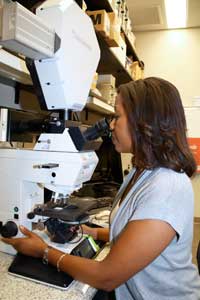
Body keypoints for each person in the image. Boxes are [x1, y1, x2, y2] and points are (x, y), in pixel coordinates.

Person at [1, 77, 200, 299]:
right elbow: (133, 233)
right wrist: (91, 231)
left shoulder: (167, 188)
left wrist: (44, 252)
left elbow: (107, 276)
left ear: (144, 122)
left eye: (117, 116)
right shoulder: (141, 170)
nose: (112, 125)